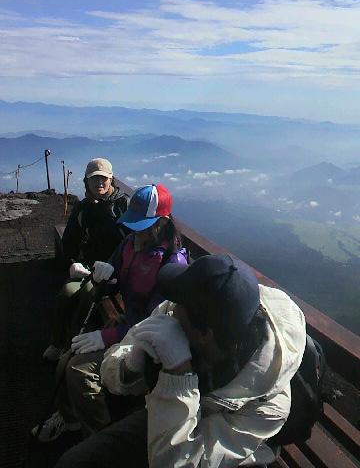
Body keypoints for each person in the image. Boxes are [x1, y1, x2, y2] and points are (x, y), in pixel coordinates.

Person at [55, 253, 307, 468]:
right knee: (73, 462)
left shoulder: (268, 405)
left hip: (224, 449)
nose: (171, 309)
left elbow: (179, 462)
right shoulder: (178, 312)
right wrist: (131, 365)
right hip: (169, 413)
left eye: (179, 307)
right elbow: (112, 373)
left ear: (205, 334)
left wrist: (178, 373)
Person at [33, 183, 188, 443]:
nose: (134, 232)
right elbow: (114, 273)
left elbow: (155, 323)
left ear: (160, 223)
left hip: (148, 343)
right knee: (66, 360)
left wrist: (108, 337)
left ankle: (102, 439)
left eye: (142, 227)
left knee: (79, 371)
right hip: (127, 325)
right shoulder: (130, 243)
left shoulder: (172, 265)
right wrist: (102, 273)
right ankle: (70, 420)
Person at [43, 158, 129, 362]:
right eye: (94, 179)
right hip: (88, 267)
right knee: (67, 293)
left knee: (90, 294)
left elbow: (131, 241)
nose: (99, 183)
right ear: (86, 182)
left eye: (103, 179)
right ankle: (57, 342)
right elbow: (70, 242)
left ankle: (70, 347)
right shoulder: (82, 209)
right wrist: (73, 263)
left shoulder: (122, 205)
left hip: (115, 270)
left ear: (111, 180)